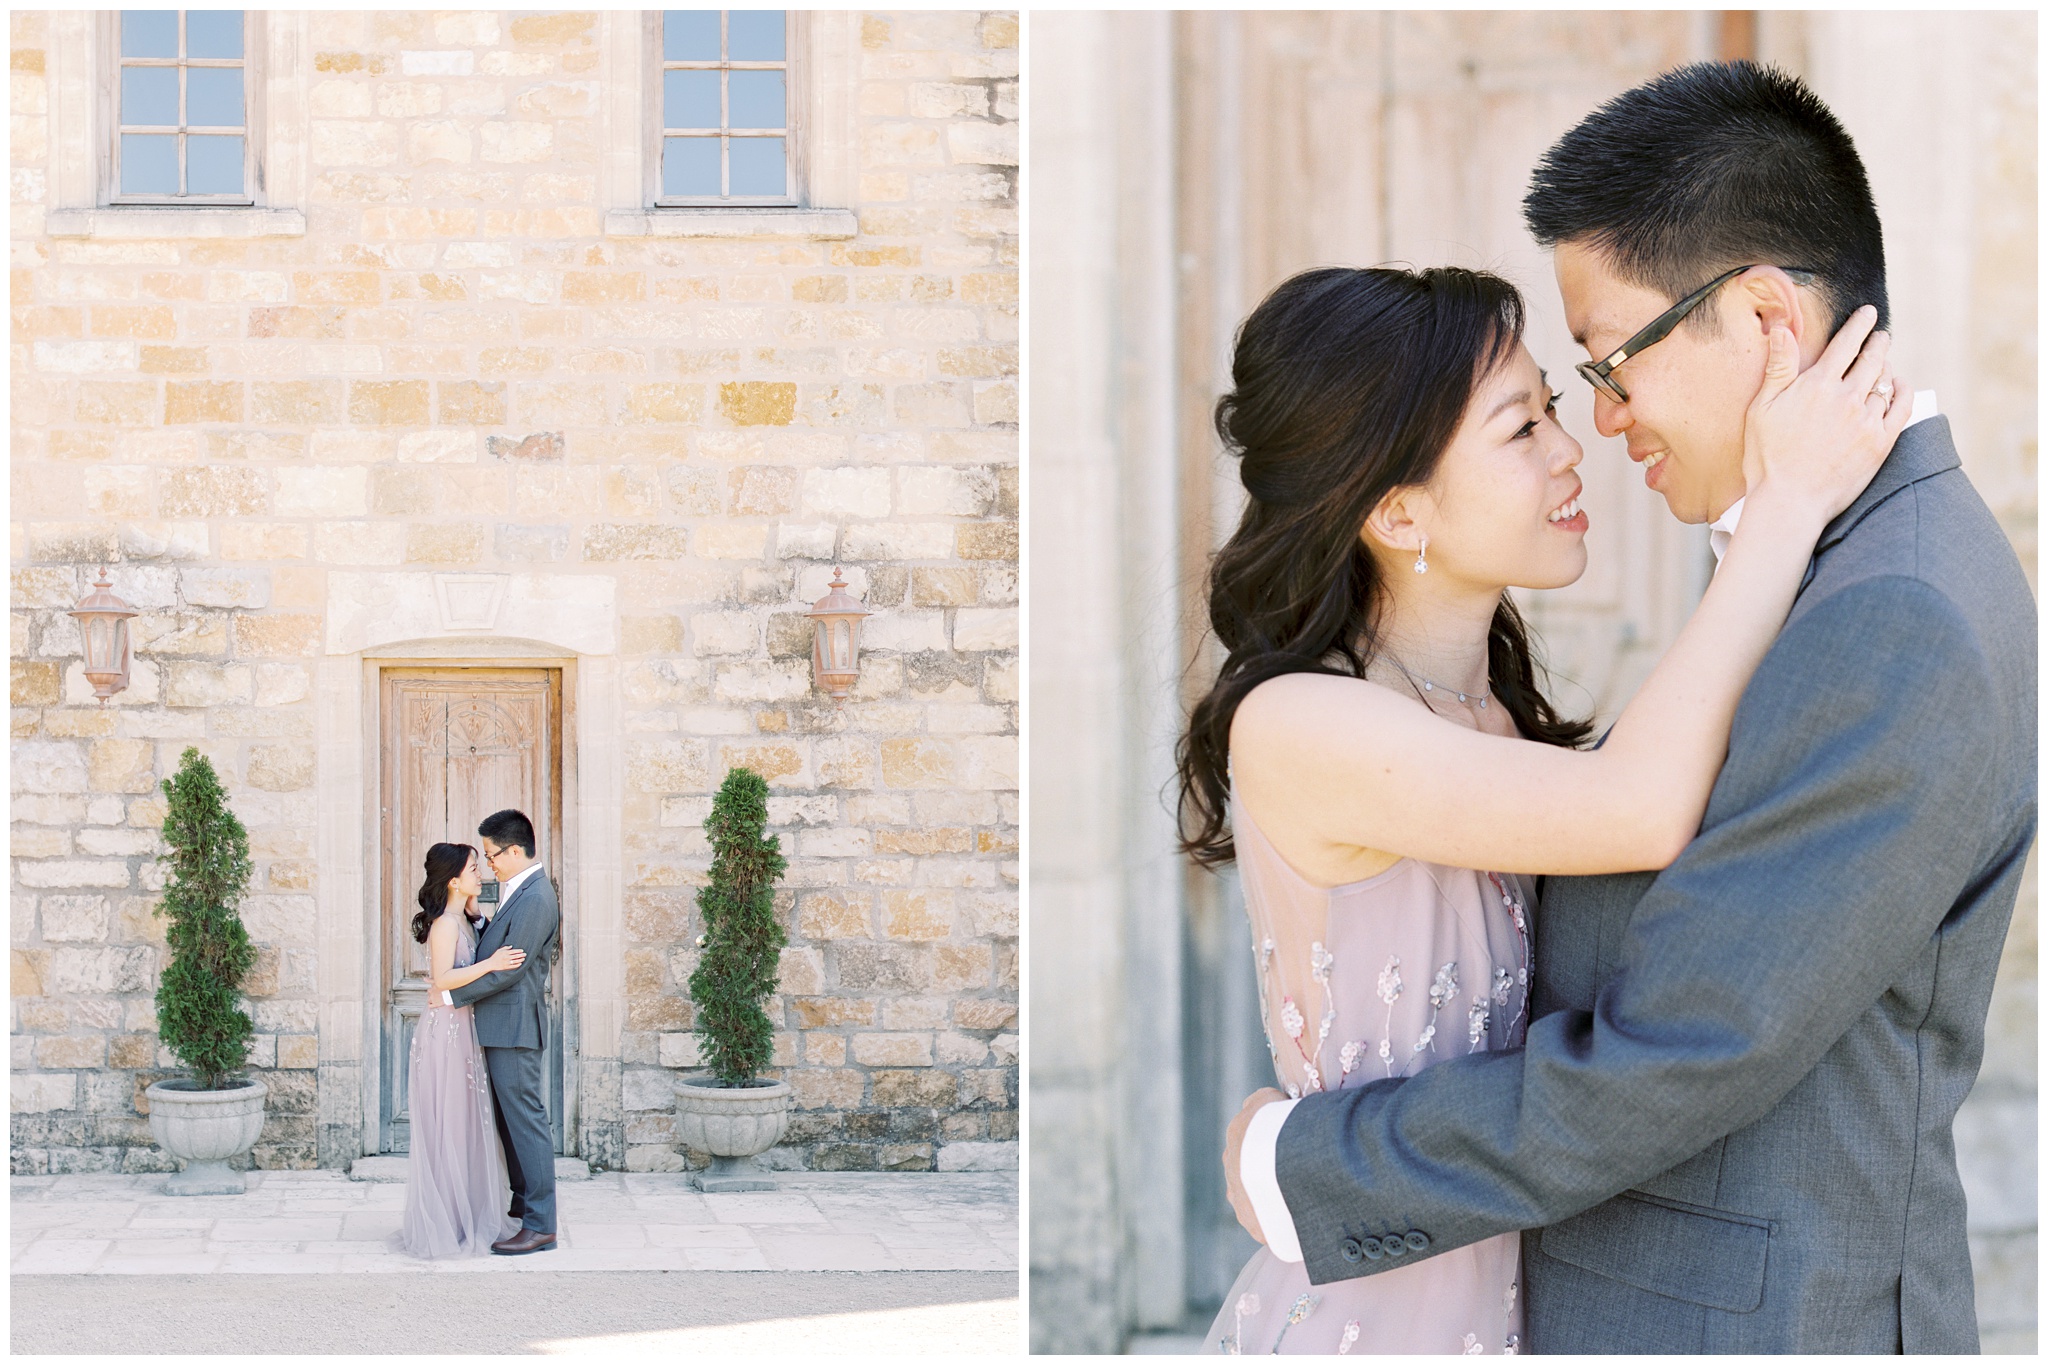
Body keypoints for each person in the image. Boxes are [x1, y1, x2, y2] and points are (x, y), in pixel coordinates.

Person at [1218, 62, 2036, 1354]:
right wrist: (1778, 524)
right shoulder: (1854, 566)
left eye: (1603, 367)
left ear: (1765, 319)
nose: (1592, 427)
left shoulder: (1896, 608)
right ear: (1396, 507)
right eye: (1536, 410)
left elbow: (1701, 1038)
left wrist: (1303, 1165)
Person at [441, 807, 562, 1255]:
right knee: (510, 1125)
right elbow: (501, 947)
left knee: (527, 1124)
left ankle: (541, 1223)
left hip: (514, 1028)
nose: (488, 863)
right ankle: (521, 1202)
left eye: (492, 855)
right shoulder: (520, 891)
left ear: (515, 851)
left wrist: (451, 998)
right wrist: (476, 920)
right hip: (500, 1026)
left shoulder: (535, 896)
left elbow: (510, 969)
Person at [398, 842, 525, 1258]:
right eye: (474, 868)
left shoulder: (463, 919)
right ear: (453, 879)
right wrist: (491, 964)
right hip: (444, 1036)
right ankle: (447, 1221)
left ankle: (462, 1215)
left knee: (466, 1123)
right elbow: (441, 978)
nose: (481, 874)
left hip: (462, 1031)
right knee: (449, 1123)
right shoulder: (445, 925)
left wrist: (475, 912)